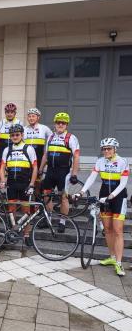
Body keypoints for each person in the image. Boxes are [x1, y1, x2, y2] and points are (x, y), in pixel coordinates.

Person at [76, 138, 129, 276]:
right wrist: (81, 191)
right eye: (104, 149)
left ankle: (119, 263)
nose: (106, 151)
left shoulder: (123, 162)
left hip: (118, 197)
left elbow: (123, 184)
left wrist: (111, 196)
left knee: (118, 230)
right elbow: (91, 178)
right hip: (104, 195)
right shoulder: (100, 161)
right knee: (108, 229)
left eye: (109, 148)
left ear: (115, 149)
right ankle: (111, 258)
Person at [39, 112, 80, 233]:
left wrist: (74, 174)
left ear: (66, 124)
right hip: (50, 171)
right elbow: (46, 155)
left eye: (63, 123)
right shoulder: (51, 137)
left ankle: (63, 222)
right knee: (47, 195)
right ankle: (49, 219)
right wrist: (41, 169)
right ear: (55, 124)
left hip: (64, 172)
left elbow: (76, 157)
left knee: (64, 197)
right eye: (58, 122)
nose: (60, 124)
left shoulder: (71, 138)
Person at [0, 124, 37, 245]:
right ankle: (12, 232)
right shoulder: (7, 150)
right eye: (13, 135)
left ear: (22, 135)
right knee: (11, 209)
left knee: (27, 211)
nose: (15, 137)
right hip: (11, 184)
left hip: (25, 184)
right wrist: (2, 181)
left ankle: (26, 235)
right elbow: (2, 167)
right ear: (10, 137)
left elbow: (35, 168)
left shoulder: (29, 149)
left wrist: (31, 184)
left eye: (17, 135)